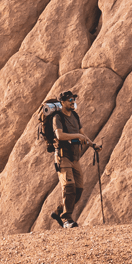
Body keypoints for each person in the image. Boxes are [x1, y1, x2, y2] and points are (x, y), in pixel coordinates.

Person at [49, 90, 98, 228]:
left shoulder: (75, 116)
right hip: (63, 156)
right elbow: (60, 135)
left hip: (75, 157)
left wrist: (93, 145)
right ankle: (66, 220)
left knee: (79, 190)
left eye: (73, 100)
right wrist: (77, 136)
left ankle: (58, 211)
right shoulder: (58, 117)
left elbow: (82, 134)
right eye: (70, 100)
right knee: (69, 187)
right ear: (62, 102)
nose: (73, 102)